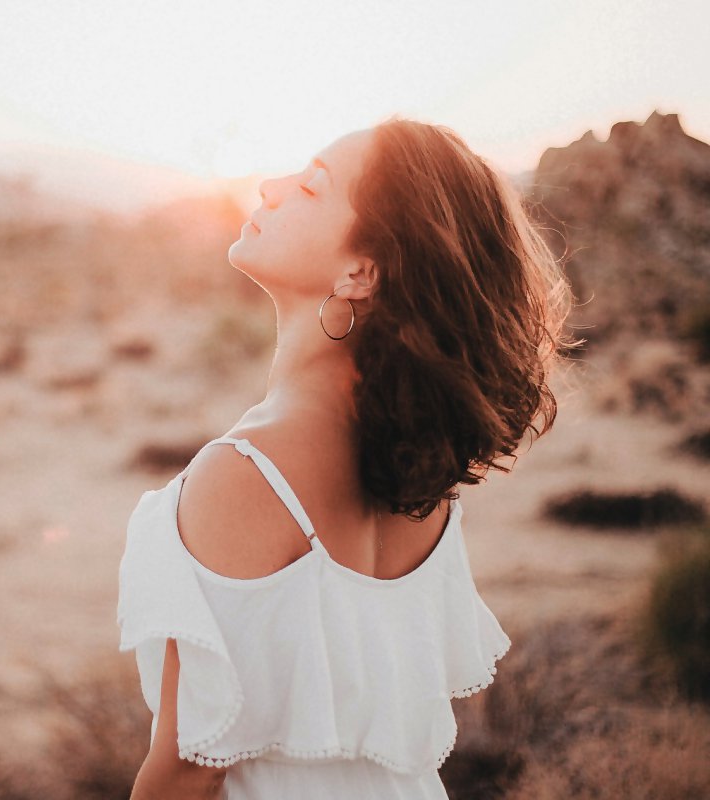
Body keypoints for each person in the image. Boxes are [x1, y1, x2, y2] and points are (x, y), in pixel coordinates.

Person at [117, 118, 579, 799]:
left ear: (361, 271)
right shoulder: (422, 475)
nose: (270, 188)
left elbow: (187, 769)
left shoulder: (245, 472)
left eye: (310, 186)